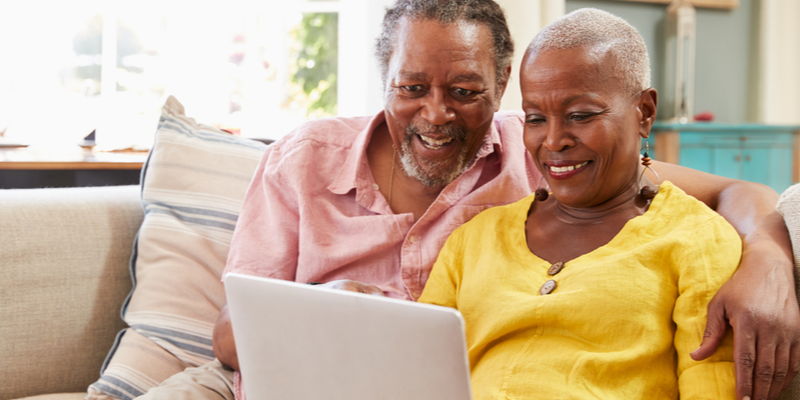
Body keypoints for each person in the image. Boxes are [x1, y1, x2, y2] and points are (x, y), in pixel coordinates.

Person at [135, 1, 799, 399]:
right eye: (411, 87)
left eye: (464, 90)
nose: (435, 114)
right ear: (385, 80)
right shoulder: (304, 158)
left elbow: (732, 193)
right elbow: (229, 334)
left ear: (502, 82)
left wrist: (769, 256)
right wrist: (336, 315)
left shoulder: (544, 156)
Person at [418, 8, 745, 399]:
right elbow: (416, 373)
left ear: (644, 113)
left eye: (580, 115)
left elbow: (712, 387)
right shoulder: (472, 241)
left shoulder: (696, 241)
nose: (553, 141)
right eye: (536, 118)